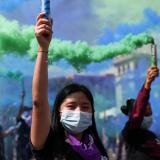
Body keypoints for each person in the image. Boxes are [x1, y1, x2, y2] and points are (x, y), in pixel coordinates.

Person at [30, 12, 109, 160]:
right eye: (71, 106)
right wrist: (43, 49)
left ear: (92, 112)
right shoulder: (48, 143)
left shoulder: (96, 147)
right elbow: (38, 102)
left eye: (85, 107)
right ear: (59, 111)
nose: (79, 111)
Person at [120, 66, 160, 160]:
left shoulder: (152, 136)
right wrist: (147, 83)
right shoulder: (130, 132)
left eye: (150, 109)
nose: (149, 111)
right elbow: (137, 114)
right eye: (145, 109)